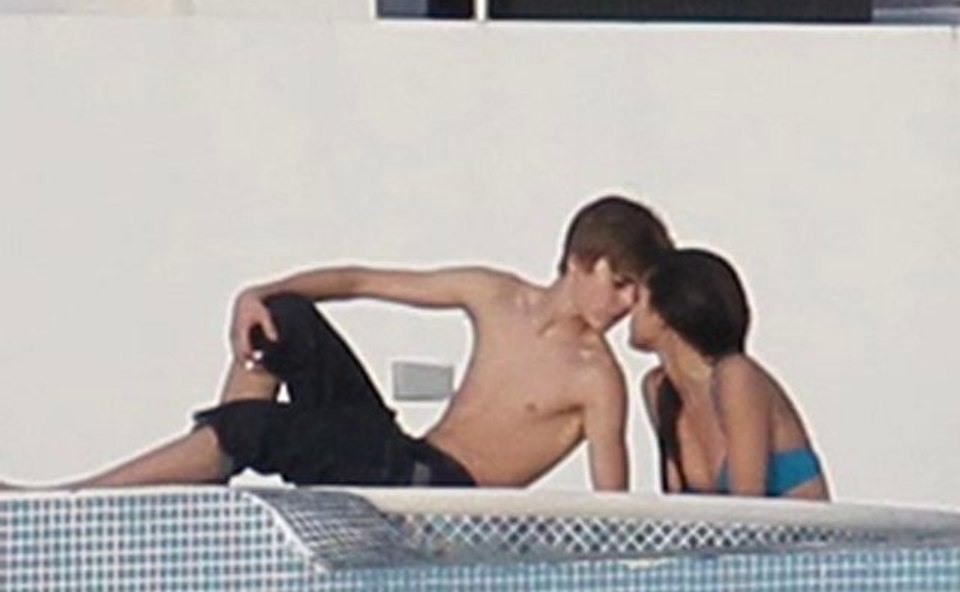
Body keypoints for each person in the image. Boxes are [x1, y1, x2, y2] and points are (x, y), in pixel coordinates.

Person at [3, 196, 673, 492]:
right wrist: (258, 291)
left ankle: (67, 499)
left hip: (434, 493)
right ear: (581, 263)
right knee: (285, 318)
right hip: (397, 456)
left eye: (634, 293)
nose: (624, 306)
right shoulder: (496, 295)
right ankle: (219, 464)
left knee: (253, 426)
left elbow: (608, 500)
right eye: (620, 285)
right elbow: (361, 281)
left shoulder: (595, 377)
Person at [631, 248, 829, 499]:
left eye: (638, 298)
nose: (630, 309)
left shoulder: (736, 376)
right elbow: (678, 501)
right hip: (718, 524)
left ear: (662, 314)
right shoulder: (658, 389)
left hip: (789, 524)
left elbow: (747, 501)